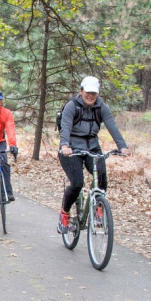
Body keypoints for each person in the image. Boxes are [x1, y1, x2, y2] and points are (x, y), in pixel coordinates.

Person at [57, 76, 130, 233]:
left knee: (102, 176)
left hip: (92, 147)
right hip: (71, 149)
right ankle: (64, 213)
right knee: (77, 183)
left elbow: (112, 126)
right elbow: (66, 126)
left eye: (94, 93)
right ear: (81, 91)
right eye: (87, 92)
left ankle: (98, 209)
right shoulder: (72, 106)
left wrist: (122, 146)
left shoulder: (101, 107)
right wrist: (64, 145)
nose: (90, 96)